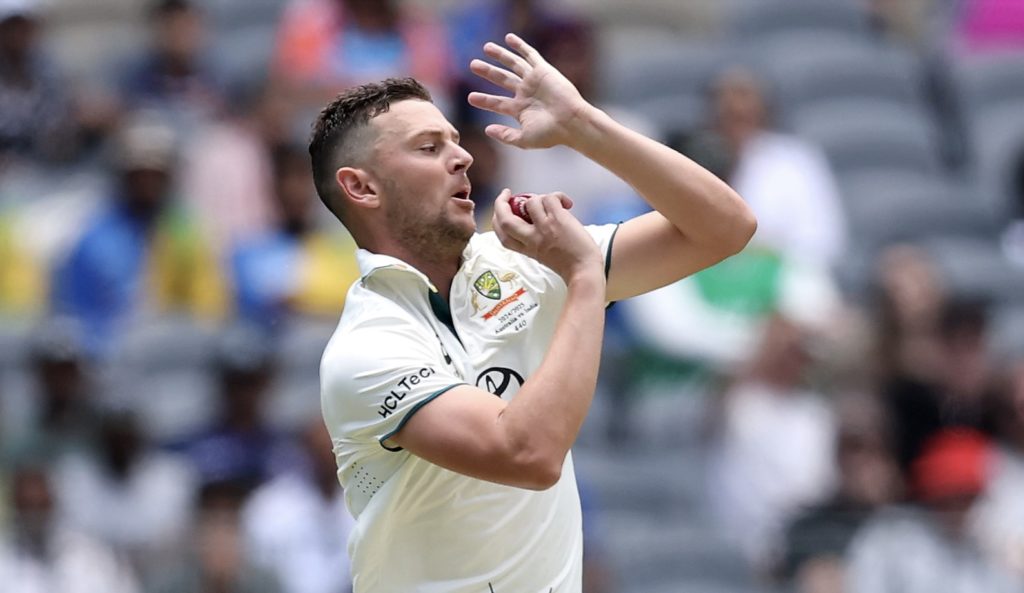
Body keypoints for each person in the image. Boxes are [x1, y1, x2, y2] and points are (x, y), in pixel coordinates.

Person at [313, 33, 756, 592]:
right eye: (428, 148)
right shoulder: (368, 347)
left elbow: (725, 228)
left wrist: (582, 126)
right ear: (361, 187)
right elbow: (529, 453)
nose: (463, 155)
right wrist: (585, 279)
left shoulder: (522, 261)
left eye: (455, 140)